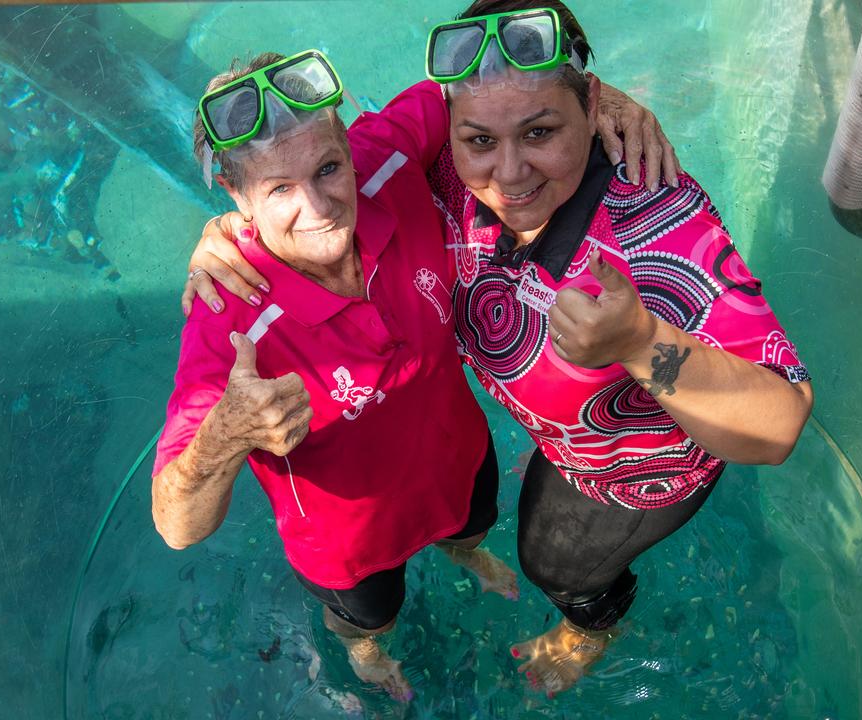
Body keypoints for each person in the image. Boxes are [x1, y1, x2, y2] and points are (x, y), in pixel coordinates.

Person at [180, 0, 814, 698]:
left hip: (631, 471)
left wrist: (642, 343)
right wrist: (236, 235)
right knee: (411, 592)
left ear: (593, 103)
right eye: (479, 139)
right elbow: (324, 168)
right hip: (523, 454)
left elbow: (779, 425)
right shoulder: (437, 171)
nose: (508, 175)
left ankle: (591, 626)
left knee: (557, 567)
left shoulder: (658, 223)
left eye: (541, 131)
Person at [152, 48, 668, 701]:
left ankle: (468, 554)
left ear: (349, 138)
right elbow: (176, 525)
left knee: (472, 528)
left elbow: (494, 84)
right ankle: (367, 652)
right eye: (279, 189)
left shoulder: (387, 157)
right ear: (235, 195)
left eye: (327, 167)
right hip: (348, 546)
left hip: (457, 464)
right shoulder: (227, 316)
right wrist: (228, 432)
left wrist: (602, 99)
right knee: (371, 617)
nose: (318, 206)